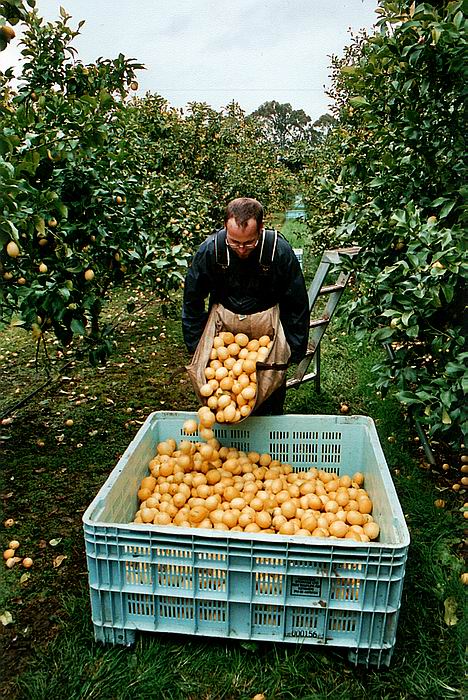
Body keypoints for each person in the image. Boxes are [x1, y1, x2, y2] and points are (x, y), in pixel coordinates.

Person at [182, 197, 309, 415]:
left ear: (261, 228)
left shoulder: (278, 252)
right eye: (235, 242)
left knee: (269, 396)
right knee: (220, 398)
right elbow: (192, 300)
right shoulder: (211, 251)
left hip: (266, 334)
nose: (241, 249)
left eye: (249, 243)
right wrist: (196, 346)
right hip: (223, 335)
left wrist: (293, 350)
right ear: (225, 228)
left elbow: (296, 302)